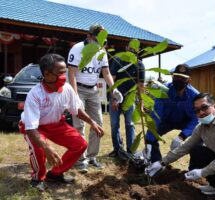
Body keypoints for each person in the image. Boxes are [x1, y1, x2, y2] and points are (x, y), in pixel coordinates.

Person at [19, 53, 104, 191]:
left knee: (80, 144)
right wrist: (47, 147)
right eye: (60, 73)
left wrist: (92, 122)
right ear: (47, 74)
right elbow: (31, 129)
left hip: (57, 124)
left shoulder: (67, 88)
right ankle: (37, 178)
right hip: (35, 129)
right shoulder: (35, 94)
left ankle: (55, 173)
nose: (64, 76)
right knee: (39, 149)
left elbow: (76, 109)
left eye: (65, 72)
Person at [67, 24, 122, 173]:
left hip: (93, 90)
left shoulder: (102, 51)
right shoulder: (77, 49)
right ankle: (80, 159)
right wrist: (75, 96)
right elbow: (71, 73)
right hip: (78, 88)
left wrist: (113, 89)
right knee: (79, 125)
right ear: (89, 36)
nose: (100, 42)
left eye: (103, 39)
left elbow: (106, 73)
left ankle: (92, 157)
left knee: (97, 122)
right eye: (97, 39)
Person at [145, 64, 200, 162]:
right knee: (151, 138)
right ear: (172, 77)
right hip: (167, 121)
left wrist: (182, 136)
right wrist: (149, 139)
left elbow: (196, 118)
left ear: (189, 80)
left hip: (185, 122)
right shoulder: (164, 91)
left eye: (182, 78)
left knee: (199, 138)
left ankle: (195, 168)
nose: (178, 80)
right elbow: (156, 114)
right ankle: (155, 164)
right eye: (176, 77)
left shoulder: (194, 95)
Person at [108, 49, 145, 158]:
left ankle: (131, 150)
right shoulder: (117, 60)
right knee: (114, 125)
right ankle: (117, 150)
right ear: (126, 48)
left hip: (130, 98)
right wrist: (114, 98)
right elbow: (112, 81)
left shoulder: (140, 64)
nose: (132, 51)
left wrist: (141, 103)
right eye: (130, 48)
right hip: (116, 97)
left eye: (134, 50)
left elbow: (140, 86)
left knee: (130, 124)